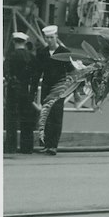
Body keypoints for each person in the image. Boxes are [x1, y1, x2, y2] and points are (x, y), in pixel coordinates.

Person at [35, 25, 74, 155]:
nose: (49, 40)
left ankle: (53, 146)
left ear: (56, 36)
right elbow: (37, 72)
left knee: (56, 116)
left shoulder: (64, 52)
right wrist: (34, 90)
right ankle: (46, 145)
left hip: (59, 88)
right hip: (46, 88)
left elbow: (71, 70)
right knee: (46, 116)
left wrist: (72, 88)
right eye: (47, 38)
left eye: (51, 37)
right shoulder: (42, 52)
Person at [4, 32, 37, 154]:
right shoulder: (31, 57)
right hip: (25, 89)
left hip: (13, 89)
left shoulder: (11, 56)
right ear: (25, 42)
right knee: (27, 118)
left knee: (11, 119)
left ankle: (10, 147)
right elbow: (35, 75)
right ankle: (27, 147)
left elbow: (5, 72)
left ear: (14, 42)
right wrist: (32, 91)